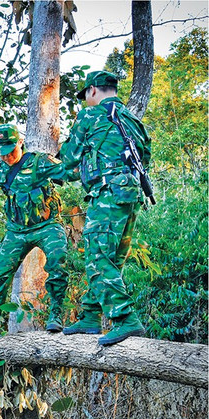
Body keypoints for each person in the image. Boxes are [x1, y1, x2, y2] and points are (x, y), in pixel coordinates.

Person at [59, 70, 152, 345]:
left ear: (92, 91)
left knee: (98, 257)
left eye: (86, 95)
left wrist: (51, 169)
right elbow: (143, 155)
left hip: (107, 194)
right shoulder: (132, 119)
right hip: (131, 194)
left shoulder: (91, 115)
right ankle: (90, 315)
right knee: (112, 259)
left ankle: (125, 319)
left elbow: (68, 157)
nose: (86, 100)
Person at [0, 123, 71, 344]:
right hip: (16, 231)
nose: (6, 157)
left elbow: (69, 171)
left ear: (20, 142)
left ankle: (56, 314)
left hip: (47, 226)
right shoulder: (2, 170)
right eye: (2, 153)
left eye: (10, 151)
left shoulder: (39, 162)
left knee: (57, 261)